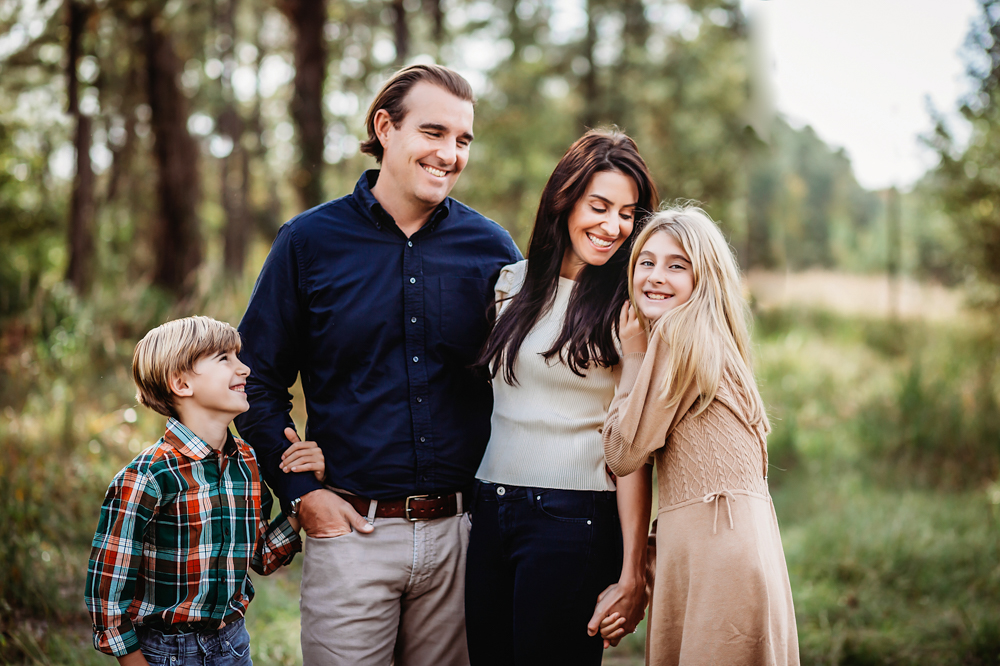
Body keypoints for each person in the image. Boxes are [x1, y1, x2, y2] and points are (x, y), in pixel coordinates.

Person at [234, 64, 521, 666]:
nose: (449, 153)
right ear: (385, 127)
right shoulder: (308, 243)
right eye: (434, 132)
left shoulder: (493, 250)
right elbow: (256, 379)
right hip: (351, 532)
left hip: (462, 536)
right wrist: (300, 493)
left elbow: (532, 378)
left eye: (463, 140)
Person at [465, 128, 659, 665]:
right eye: (599, 206)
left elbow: (631, 449)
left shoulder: (629, 309)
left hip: (575, 518)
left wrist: (632, 573)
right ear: (564, 199)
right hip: (489, 508)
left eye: (628, 213)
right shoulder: (512, 284)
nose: (613, 226)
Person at [601, 206, 799, 665]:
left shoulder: (676, 335)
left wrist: (632, 356)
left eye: (676, 265)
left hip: (717, 560)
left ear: (703, 278)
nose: (655, 276)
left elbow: (622, 453)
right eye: (646, 262)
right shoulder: (717, 341)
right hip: (747, 546)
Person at [85, 315, 325, 666]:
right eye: (225, 359)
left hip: (232, 646)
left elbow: (261, 557)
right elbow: (107, 592)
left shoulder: (246, 463)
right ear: (181, 383)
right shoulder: (148, 477)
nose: (244, 369)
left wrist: (303, 496)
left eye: (239, 357)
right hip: (164, 653)